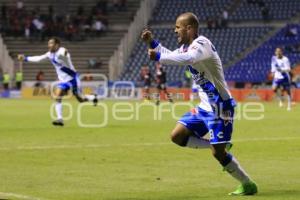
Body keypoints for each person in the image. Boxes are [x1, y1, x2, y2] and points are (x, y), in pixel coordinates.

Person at [141, 12, 257, 195]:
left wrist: (157, 57)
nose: (175, 31)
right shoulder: (186, 48)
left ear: (189, 28)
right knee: (177, 136)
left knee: (218, 154)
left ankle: (248, 184)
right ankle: (216, 143)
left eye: (178, 27)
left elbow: (189, 59)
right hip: (204, 107)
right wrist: (151, 42)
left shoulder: (202, 44)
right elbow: (171, 55)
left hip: (221, 107)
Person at [18, 37, 98, 126]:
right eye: (48, 43)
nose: (49, 45)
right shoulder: (49, 54)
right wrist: (25, 58)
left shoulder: (62, 51)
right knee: (57, 96)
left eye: (51, 43)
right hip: (63, 81)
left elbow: (66, 56)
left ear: (57, 45)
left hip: (73, 79)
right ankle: (60, 119)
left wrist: (65, 55)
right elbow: (39, 58)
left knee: (81, 99)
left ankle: (92, 97)